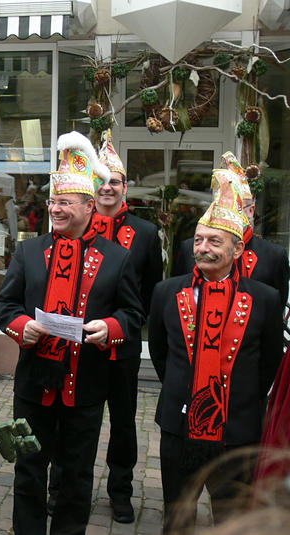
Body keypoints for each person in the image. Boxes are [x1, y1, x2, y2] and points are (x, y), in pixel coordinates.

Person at [0, 131, 144, 535]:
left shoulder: (117, 258)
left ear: (89, 206)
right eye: (52, 201)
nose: (54, 209)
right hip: (33, 386)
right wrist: (21, 328)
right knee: (28, 472)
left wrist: (109, 328)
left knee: (77, 478)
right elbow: (5, 306)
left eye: (64, 202)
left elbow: (133, 315)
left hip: (85, 388)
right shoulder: (29, 252)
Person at [149, 166, 283, 533]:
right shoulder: (166, 292)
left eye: (214, 241)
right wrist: (183, 386)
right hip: (178, 426)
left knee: (232, 518)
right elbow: (160, 353)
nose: (203, 248)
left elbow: (269, 361)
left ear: (237, 249)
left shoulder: (265, 299)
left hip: (237, 430)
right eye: (198, 240)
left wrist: (240, 400)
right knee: (177, 516)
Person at [91, 130, 164, 523]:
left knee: (123, 421)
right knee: (77, 420)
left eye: (114, 182)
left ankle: (120, 491)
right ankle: (64, 487)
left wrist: (131, 326)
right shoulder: (77, 225)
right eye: (101, 181)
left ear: (125, 188)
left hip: (123, 346)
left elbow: (153, 288)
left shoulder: (146, 233)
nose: (107, 188)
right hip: (81, 342)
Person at [173, 151, 289, 304]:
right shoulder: (190, 248)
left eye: (238, 208)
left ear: (251, 211)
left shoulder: (273, 256)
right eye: (225, 207)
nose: (230, 214)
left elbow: (276, 308)